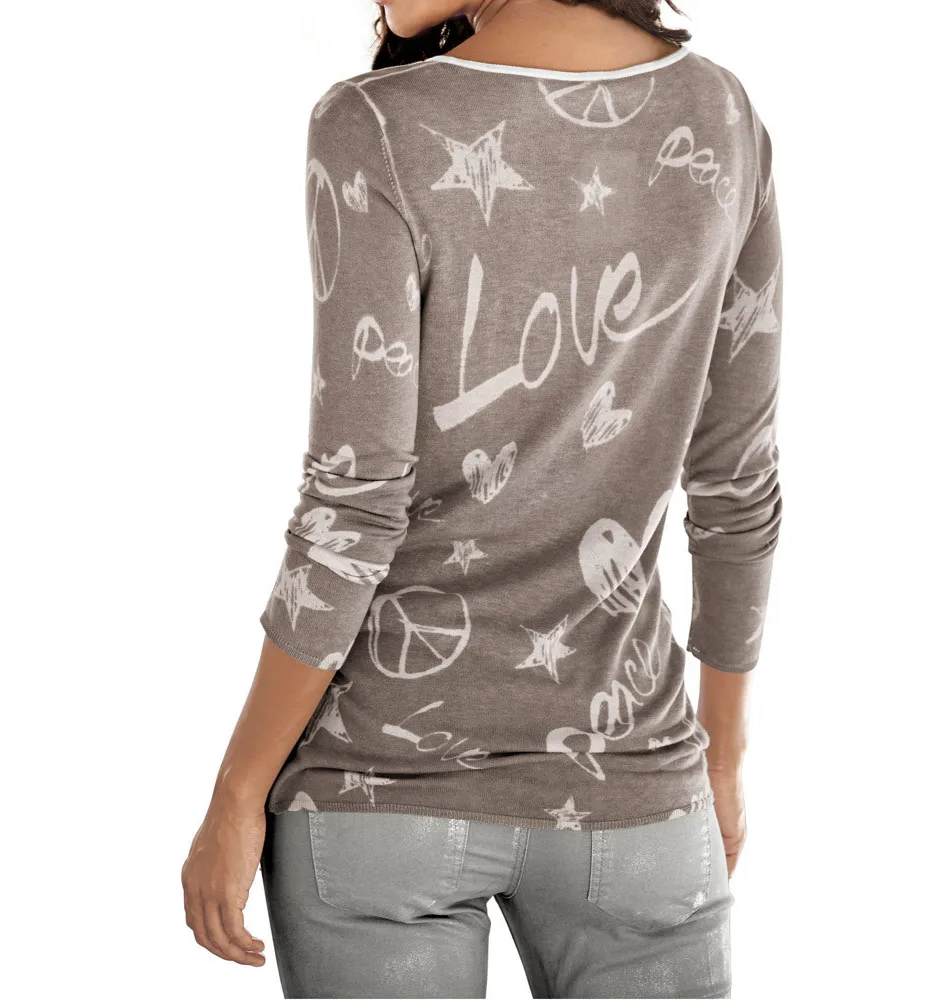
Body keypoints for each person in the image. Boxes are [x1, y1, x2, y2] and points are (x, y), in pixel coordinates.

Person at [181, 1, 784, 996]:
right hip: (636, 790)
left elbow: (354, 502)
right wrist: (720, 756)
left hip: (379, 798)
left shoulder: (375, 123)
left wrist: (237, 789)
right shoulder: (720, 112)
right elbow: (738, 479)